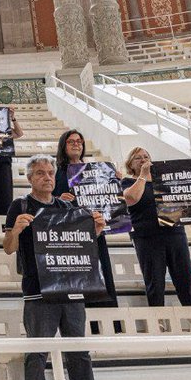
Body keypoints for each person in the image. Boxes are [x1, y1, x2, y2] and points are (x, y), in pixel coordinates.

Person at [4, 154, 104, 380]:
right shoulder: (20, 205)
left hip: (70, 288)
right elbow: (8, 248)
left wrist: (95, 230)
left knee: (79, 353)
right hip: (38, 291)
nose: (47, 177)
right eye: (40, 173)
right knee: (37, 352)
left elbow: (79, 243)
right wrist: (15, 230)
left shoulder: (66, 206)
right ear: (29, 178)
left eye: (50, 172)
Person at [120, 146, 191, 307]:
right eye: (138, 158)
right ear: (130, 164)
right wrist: (142, 175)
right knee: (155, 282)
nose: (143, 160)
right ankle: (159, 321)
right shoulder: (127, 182)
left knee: (185, 279)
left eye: (146, 156)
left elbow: (186, 190)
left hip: (174, 232)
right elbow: (131, 198)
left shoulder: (164, 179)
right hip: (147, 236)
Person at [46, 129, 119, 308]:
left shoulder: (97, 171)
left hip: (95, 231)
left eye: (79, 141)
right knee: (81, 279)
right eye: (71, 141)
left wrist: (116, 181)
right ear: (63, 146)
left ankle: (110, 323)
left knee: (102, 275)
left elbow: (111, 199)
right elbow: (45, 200)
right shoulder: (56, 173)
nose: (76, 144)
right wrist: (58, 199)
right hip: (72, 236)